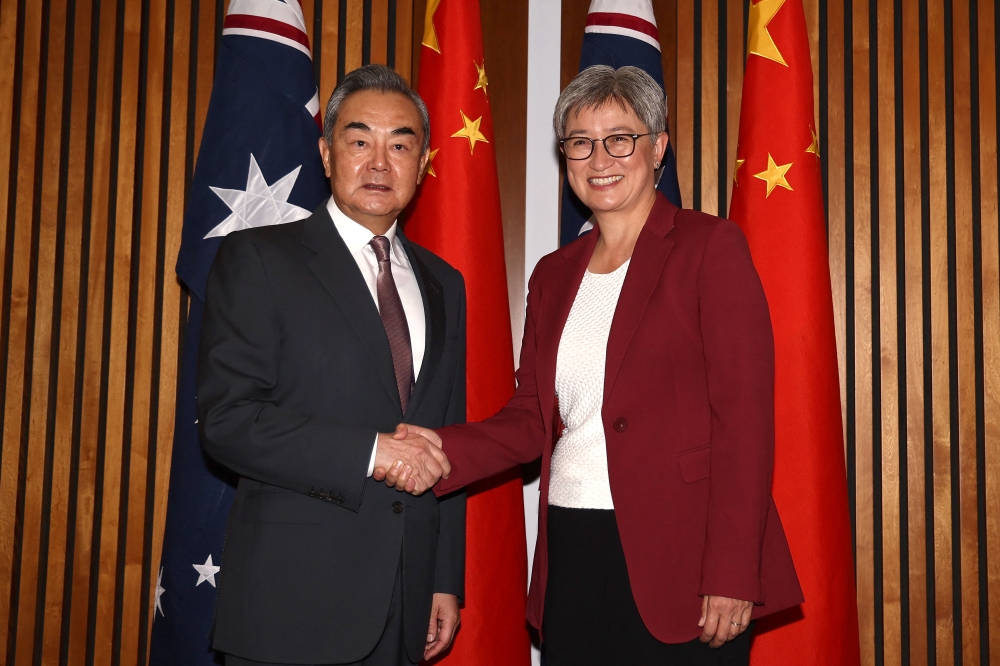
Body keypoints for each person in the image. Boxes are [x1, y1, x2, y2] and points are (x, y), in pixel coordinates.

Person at [385, 65, 804, 665]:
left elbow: (744, 422)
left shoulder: (709, 248)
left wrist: (734, 570)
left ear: (658, 148)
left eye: (620, 138)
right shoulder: (553, 275)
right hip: (574, 552)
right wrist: (434, 451)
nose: (599, 157)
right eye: (580, 142)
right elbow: (532, 418)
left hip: (685, 559)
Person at [197, 64, 466, 666]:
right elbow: (228, 421)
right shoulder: (259, 260)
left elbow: (443, 435)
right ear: (325, 153)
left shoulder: (445, 285)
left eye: (400, 145)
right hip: (291, 609)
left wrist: (444, 577)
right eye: (359, 140)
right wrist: (372, 451)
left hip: (406, 605)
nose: (379, 163)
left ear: (423, 163)